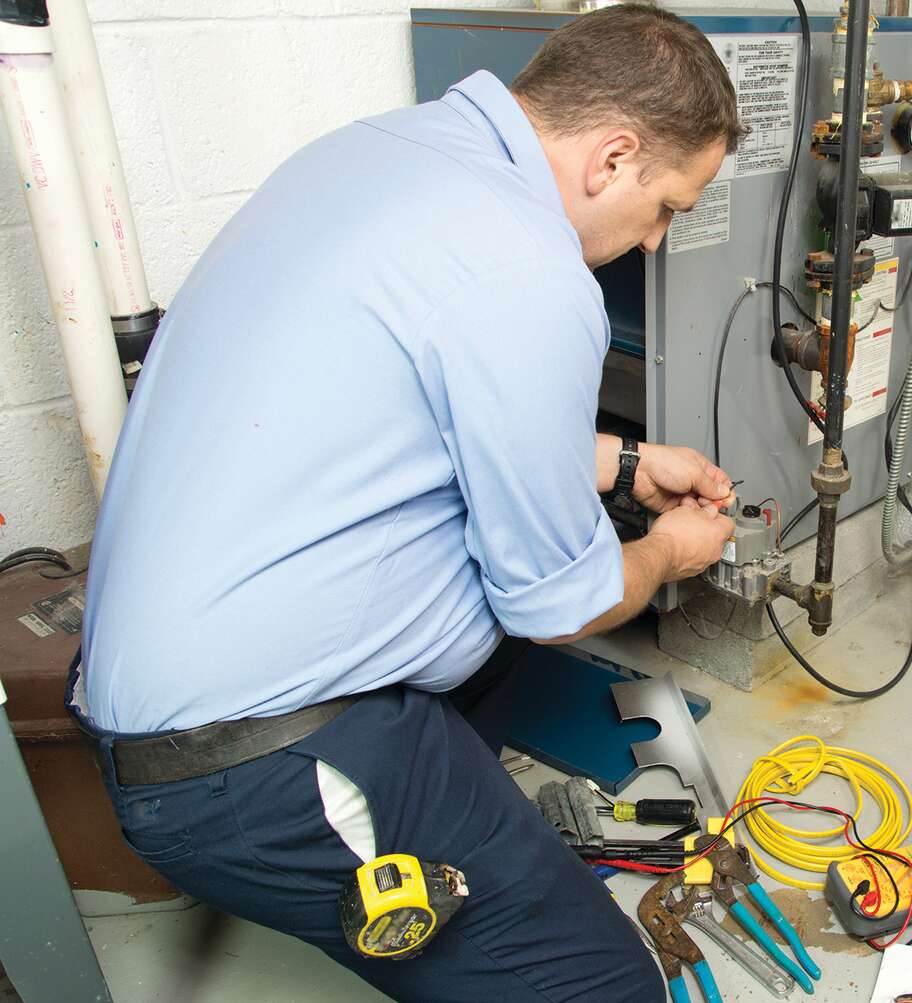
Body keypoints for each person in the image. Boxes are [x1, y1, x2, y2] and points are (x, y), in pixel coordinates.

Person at [67, 5, 746, 1000]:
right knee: (604, 986)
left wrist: (626, 460)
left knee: (497, 619)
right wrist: (673, 551)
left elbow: (427, 408)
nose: (653, 241)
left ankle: (463, 820)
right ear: (611, 157)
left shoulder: (381, 155)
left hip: (169, 686)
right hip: (243, 768)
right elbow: (563, 604)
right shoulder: (531, 266)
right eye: (668, 208)